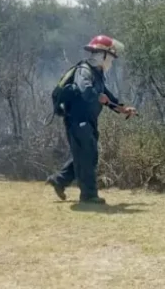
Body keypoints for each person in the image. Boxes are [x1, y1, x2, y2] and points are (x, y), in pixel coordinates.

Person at [46, 35, 137, 203]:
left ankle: (60, 180)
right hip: (78, 121)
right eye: (110, 56)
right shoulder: (84, 70)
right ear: (101, 55)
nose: (111, 60)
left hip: (88, 121)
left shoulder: (98, 74)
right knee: (87, 155)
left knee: (88, 155)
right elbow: (85, 90)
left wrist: (122, 109)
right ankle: (89, 195)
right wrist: (98, 96)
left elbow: (108, 97)